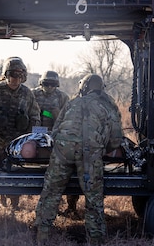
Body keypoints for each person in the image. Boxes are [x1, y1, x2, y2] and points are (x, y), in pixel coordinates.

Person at [35, 74, 124, 245]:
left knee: (51, 192)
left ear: (83, 87)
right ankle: (95, 239)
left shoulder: (72, 102)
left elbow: (55, 130)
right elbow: (116, 139)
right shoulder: (108, 106)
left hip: (63, 151)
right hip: (89, 155)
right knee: (93, 198)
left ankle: (42, 234)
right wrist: (102, 150)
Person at [0, 56, 41, 208]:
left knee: (15, 171)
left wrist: (31, 139)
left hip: (17, 141)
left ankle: (14, 202)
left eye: (19, 75)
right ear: (6, 74)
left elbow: (35, 116)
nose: (16, 79)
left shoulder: (27, 93)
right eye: (12, 75)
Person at [31, 71, 79, 215]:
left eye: (52, 84)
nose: (49, 87)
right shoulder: (33, 94)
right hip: (36, 134)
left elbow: (67, 118)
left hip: (57, 136)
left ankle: (71, 206)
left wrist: (54, 115)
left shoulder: (62, 97)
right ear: (41, 83)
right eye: (46, 84)